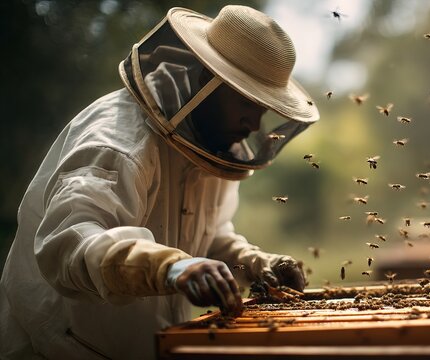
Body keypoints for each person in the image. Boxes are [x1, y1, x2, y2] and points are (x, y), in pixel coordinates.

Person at [0, 5, 319, 359]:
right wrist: (171, 267)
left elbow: (207, 235)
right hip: (58, 349)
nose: (255, 124)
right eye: (248, 103)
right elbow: (70, 243)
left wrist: (257, 263)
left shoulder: (212, 141)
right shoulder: (119, 143)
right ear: (207, 82)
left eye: (264, 108)